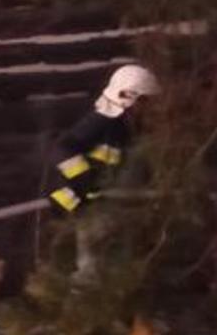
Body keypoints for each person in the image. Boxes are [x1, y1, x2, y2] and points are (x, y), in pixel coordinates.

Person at [47, 64, 159, 282]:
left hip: (122, 209)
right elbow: (61, 149)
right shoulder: (102, 122)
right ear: (129, 98)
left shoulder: (131, 128)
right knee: (92, 273)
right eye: (145, 101)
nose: (150, 108)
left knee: (123, 273)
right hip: (97, 211)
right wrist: (83, 177)